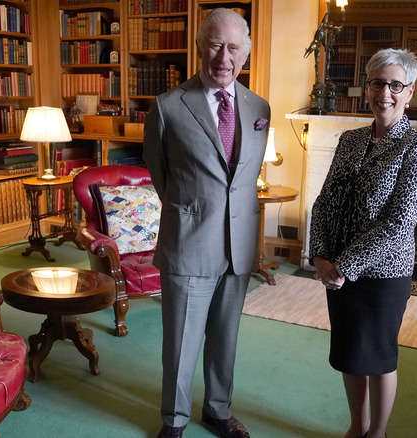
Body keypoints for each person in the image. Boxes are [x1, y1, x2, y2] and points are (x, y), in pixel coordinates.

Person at [142, 8, 270, 438]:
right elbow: (159, 173)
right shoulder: (167, 107)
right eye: (216, 45)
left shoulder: (259, 107)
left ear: (245, 53)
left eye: (233, 47)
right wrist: (191, 210)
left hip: (239, 245)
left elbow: (244, 177)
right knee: (181, 342)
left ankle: (217, 410)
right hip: (189, 240)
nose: (224, 57)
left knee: (225, 339)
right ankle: (174, 421)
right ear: (200, 47)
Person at [309, 48, 417, 438]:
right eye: (378, 83)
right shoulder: (349, 140)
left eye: (395, 85)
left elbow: (399, 223)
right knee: (350, 353)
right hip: (336, 270)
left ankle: (377, 433)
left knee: (379, 357)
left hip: (383, 273)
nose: (385, 92)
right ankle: (357, 425)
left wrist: (344, 266)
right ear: (366, 88)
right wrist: (319, 256)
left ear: (410, 91)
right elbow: (325, 199)